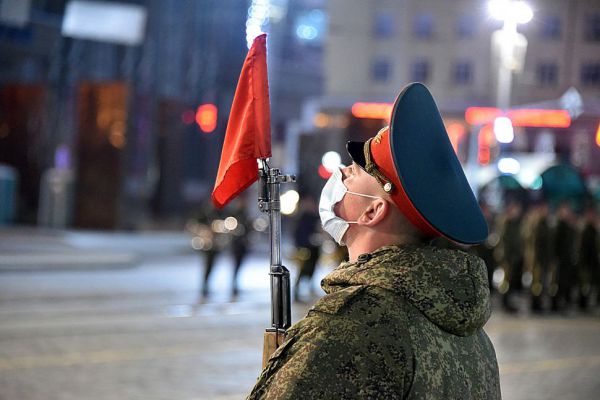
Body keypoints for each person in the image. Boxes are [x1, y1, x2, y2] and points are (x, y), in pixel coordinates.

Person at [248, 83, 500, 399]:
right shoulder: (474, 338)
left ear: (372, 211)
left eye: (352, 173)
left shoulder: (350, 328)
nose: (340, 174)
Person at [292, 195, 322, 302]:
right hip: (304, 248)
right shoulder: (302, 217)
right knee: (301, 271)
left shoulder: (315, 216)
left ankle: (309, 288)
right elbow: (298, 234)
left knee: (312, 269)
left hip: (314, 248)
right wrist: (302, 245)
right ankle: (296, 292)